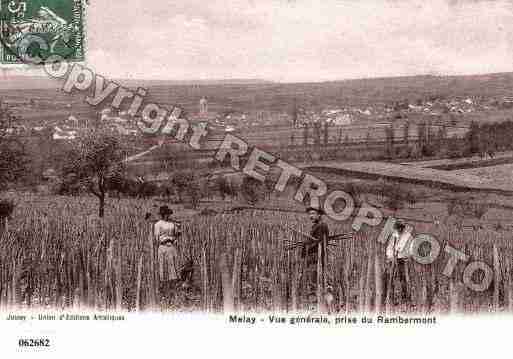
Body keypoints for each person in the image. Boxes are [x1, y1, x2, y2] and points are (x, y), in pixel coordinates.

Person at [154, 205, 182, 302]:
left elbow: (177, 234)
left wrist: (178, 230)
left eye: (168, 214)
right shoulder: (158, 224)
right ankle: (163, 285)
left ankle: (172, 286)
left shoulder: (172, 224)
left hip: (171, 247)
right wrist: (165, 239)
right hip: (163, 247)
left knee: (172, 265)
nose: (167, 216)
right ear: (162, 214)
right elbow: (157, 238)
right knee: (162, 265)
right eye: (165, 214)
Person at [301, 206, 330, 296]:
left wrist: (306, 246)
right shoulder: (316, 225)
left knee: (314, 276)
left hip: (316, 256)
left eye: (313, 213)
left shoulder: (321, 225)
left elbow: (320, 242)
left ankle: (315, 296)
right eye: (310, 214)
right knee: (312, 276)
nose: (311, 216)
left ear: (319, 215)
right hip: (312, 255)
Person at [382, 220, 412, 306]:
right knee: (389, 277)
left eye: (399, 229)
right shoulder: (394, 235)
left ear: (402, 228)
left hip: (402, 260)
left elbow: (402, 249)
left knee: (403, 279)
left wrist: (396, 252)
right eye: (397, 229)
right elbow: (389, 248)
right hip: (393, 259)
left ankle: (405, 298)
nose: (398, 230)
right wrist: (390, 256)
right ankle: (390, 297)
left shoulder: (407, 236)